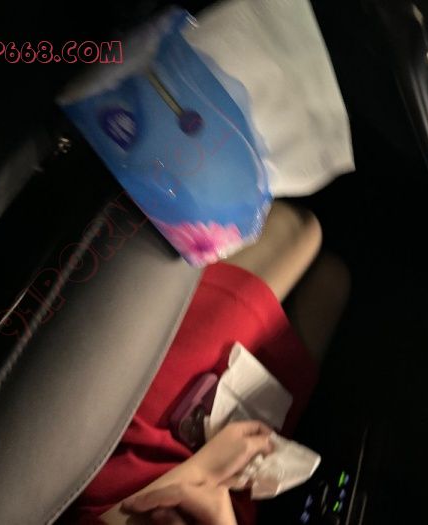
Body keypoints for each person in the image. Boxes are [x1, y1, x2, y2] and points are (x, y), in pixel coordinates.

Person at [71, 201, 350, 524]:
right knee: (333, 281)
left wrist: (203, 470)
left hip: (128, 472)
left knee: (301, 230)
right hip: (228, 485)